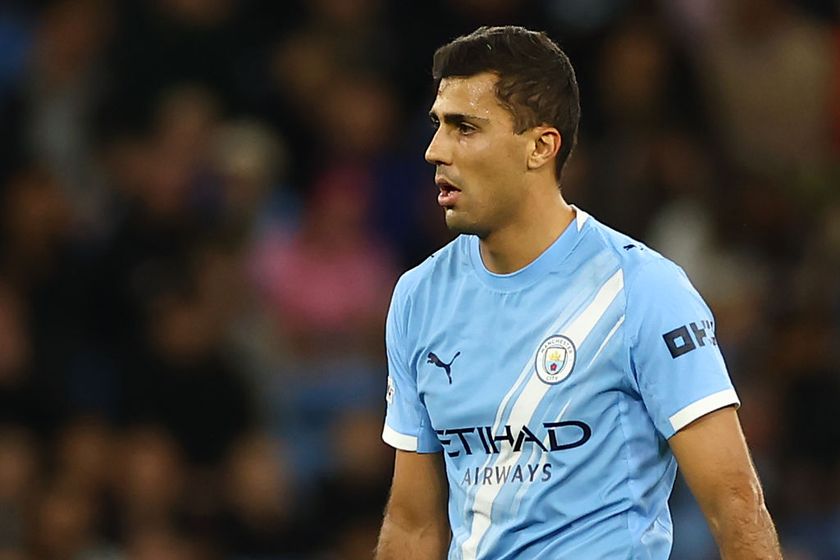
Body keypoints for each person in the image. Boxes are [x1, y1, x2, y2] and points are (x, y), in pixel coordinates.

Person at [375, 26, 781, 559]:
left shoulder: (643, 291)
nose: (433, 151)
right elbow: (412, 527)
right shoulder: (417, 297)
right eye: (437, 125)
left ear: (541, 146)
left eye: (464, 128)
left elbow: (736, 506)